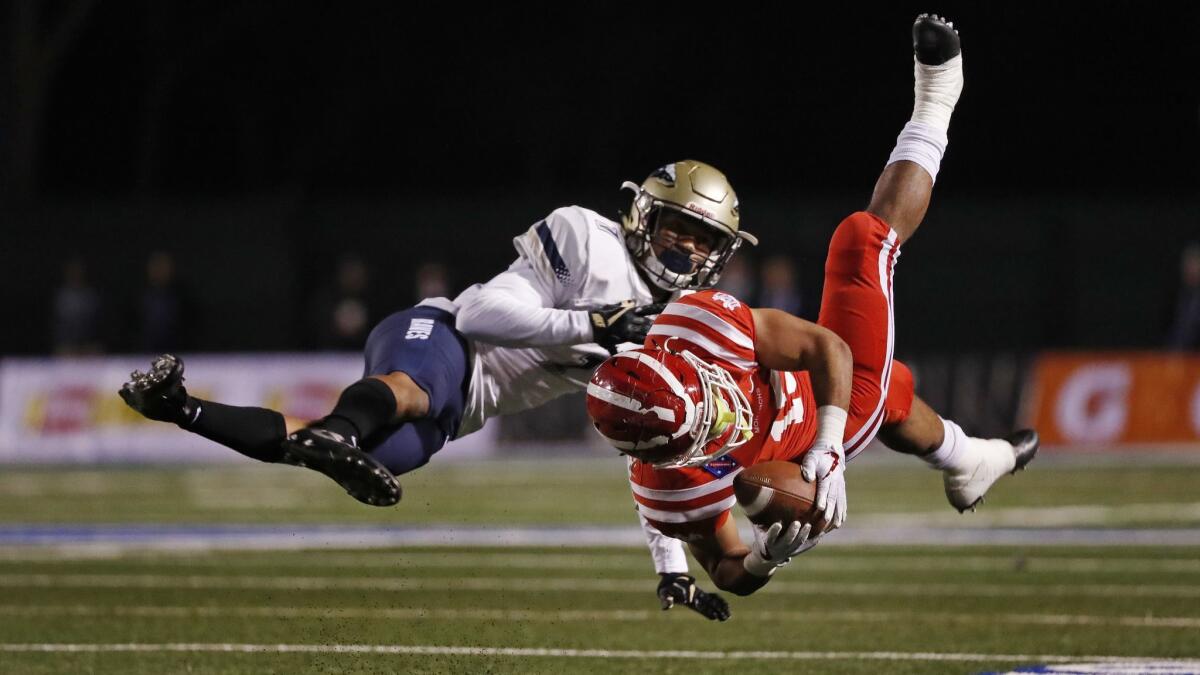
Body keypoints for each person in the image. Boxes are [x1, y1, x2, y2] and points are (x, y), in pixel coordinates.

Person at [119, 159, 756, 620]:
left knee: (325, 447)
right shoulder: (589, 242)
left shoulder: (677, 330)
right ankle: (339, 433)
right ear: (644, 214)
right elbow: (479, 313)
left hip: (464, 411)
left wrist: (671, 568)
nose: (687, 246)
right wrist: (591, 321)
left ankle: (180, 407)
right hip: (441, 335)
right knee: (412, 391)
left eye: (705, 239)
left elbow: (652, 451)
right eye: (679, 225)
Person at [586, 14, 1039, 596]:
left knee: (866, 283)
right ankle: (937, 98)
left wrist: (828, 446)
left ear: (676, 360)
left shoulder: (695, 322)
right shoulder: (666, 488)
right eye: (705, 433)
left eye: (706, 400)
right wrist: (764, 558)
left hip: (817, 408)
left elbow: (827, 347)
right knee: (864, 382)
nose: (724, 415)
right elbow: (726, 571)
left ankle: (967, 459)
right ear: (664, 457)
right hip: (809, 449)